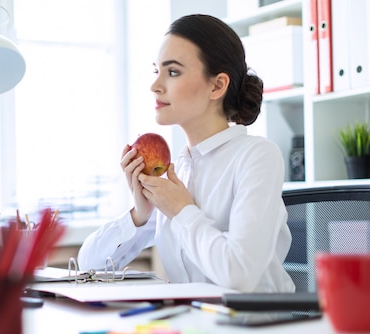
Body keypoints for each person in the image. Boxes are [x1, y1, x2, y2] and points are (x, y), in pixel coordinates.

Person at [77, 14, 295, 293]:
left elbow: (240, 275)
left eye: (173, 72)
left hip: (255, 329)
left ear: (217, 86)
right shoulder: (177, 170)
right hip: (191, 327)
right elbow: (87, 265)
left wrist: (181, 211)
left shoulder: (257, 156)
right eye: (156, 71)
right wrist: (140, 215)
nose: (155, 86)